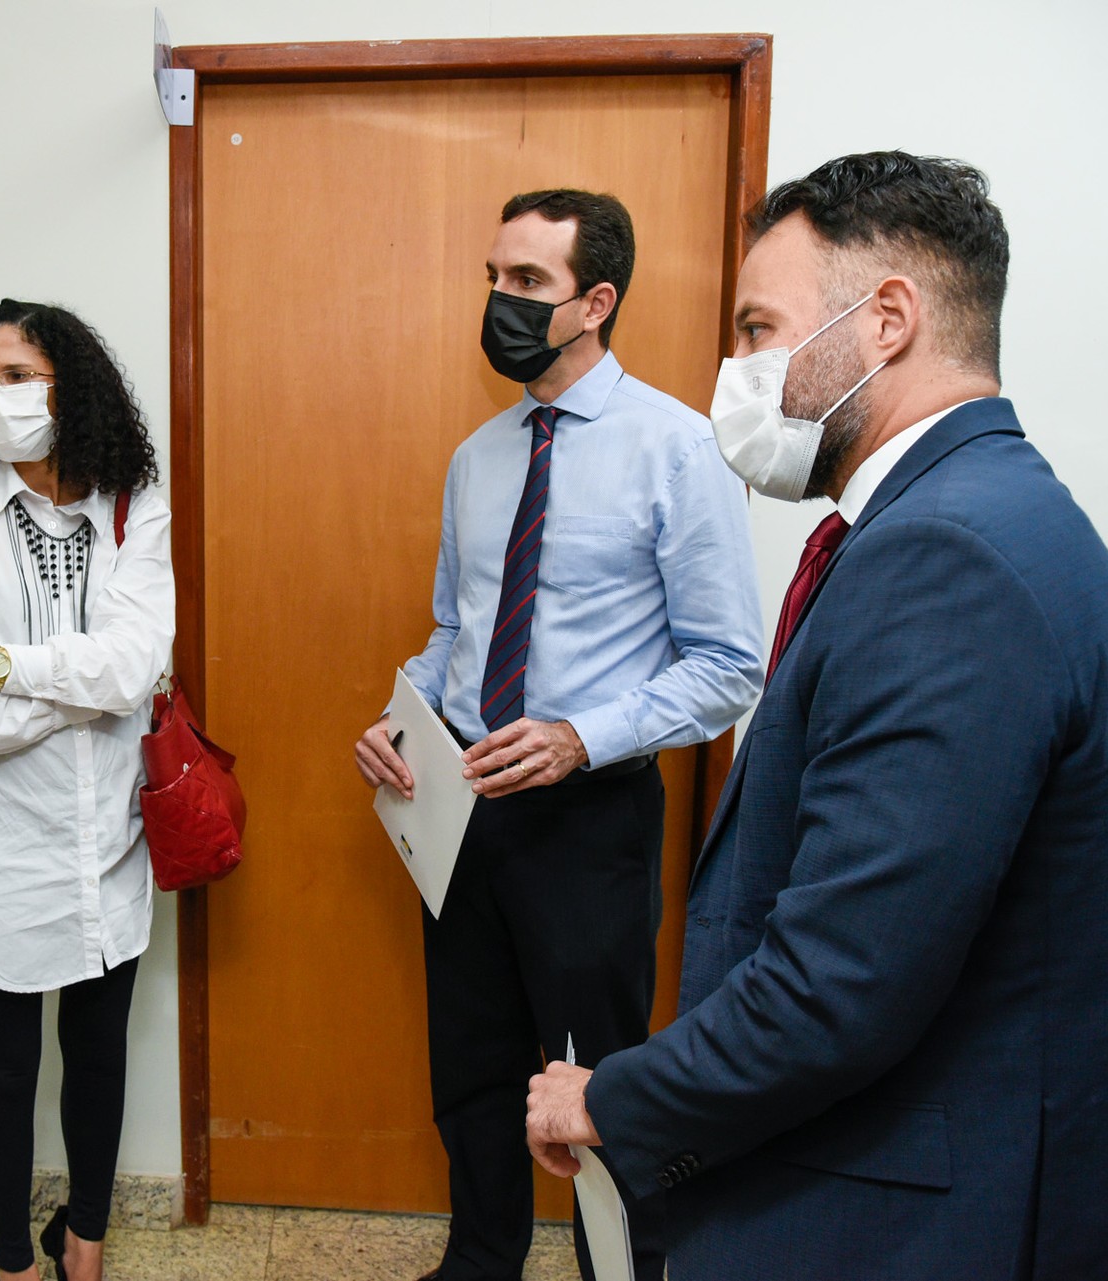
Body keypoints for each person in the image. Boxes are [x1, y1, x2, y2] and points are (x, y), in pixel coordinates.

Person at [526, 152, 1108, 1280]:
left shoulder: (948, 560)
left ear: (887, 321)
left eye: (756, 327)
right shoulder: (983, 517)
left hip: (928, 1215)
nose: (735, 367)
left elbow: (843, 982)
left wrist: (615, 1098)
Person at [353, 190, 764, 1281]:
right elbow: (456, 627)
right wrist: (400, 721)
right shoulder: (477, 458)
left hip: (591, 823)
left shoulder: (680, 448)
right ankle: (479, 1262)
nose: (499, 301)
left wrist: (583, 736)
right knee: (474, 1073)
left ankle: (618, 1275)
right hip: (462, 812)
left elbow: (731, 666)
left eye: (527, 283)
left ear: (597, 302)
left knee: (598, 1090)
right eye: (493, 276)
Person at [0, 299, 173, 1281]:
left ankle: (83, 1251)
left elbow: (136, 667)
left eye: (17, 374)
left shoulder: (134, 508)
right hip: (0, 853)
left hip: (112, 845)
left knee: (99, 1061)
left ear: (72, 383)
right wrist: (86, 689)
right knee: (7, 1073)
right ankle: (15, 1262)